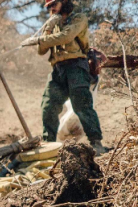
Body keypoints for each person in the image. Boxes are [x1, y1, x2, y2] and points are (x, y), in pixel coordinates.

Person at [21, 0, 107, 154]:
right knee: (48, 107)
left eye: (54, 4)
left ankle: (96, 143)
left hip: (76, 67)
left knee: (82, 105)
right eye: (48, 7)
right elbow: (42, 50)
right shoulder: (52, 25)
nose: (51, 8)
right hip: (57, 70)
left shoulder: (78, 18)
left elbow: (66, 37)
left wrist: (39, 40)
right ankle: (49, 145)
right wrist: (47, 29)